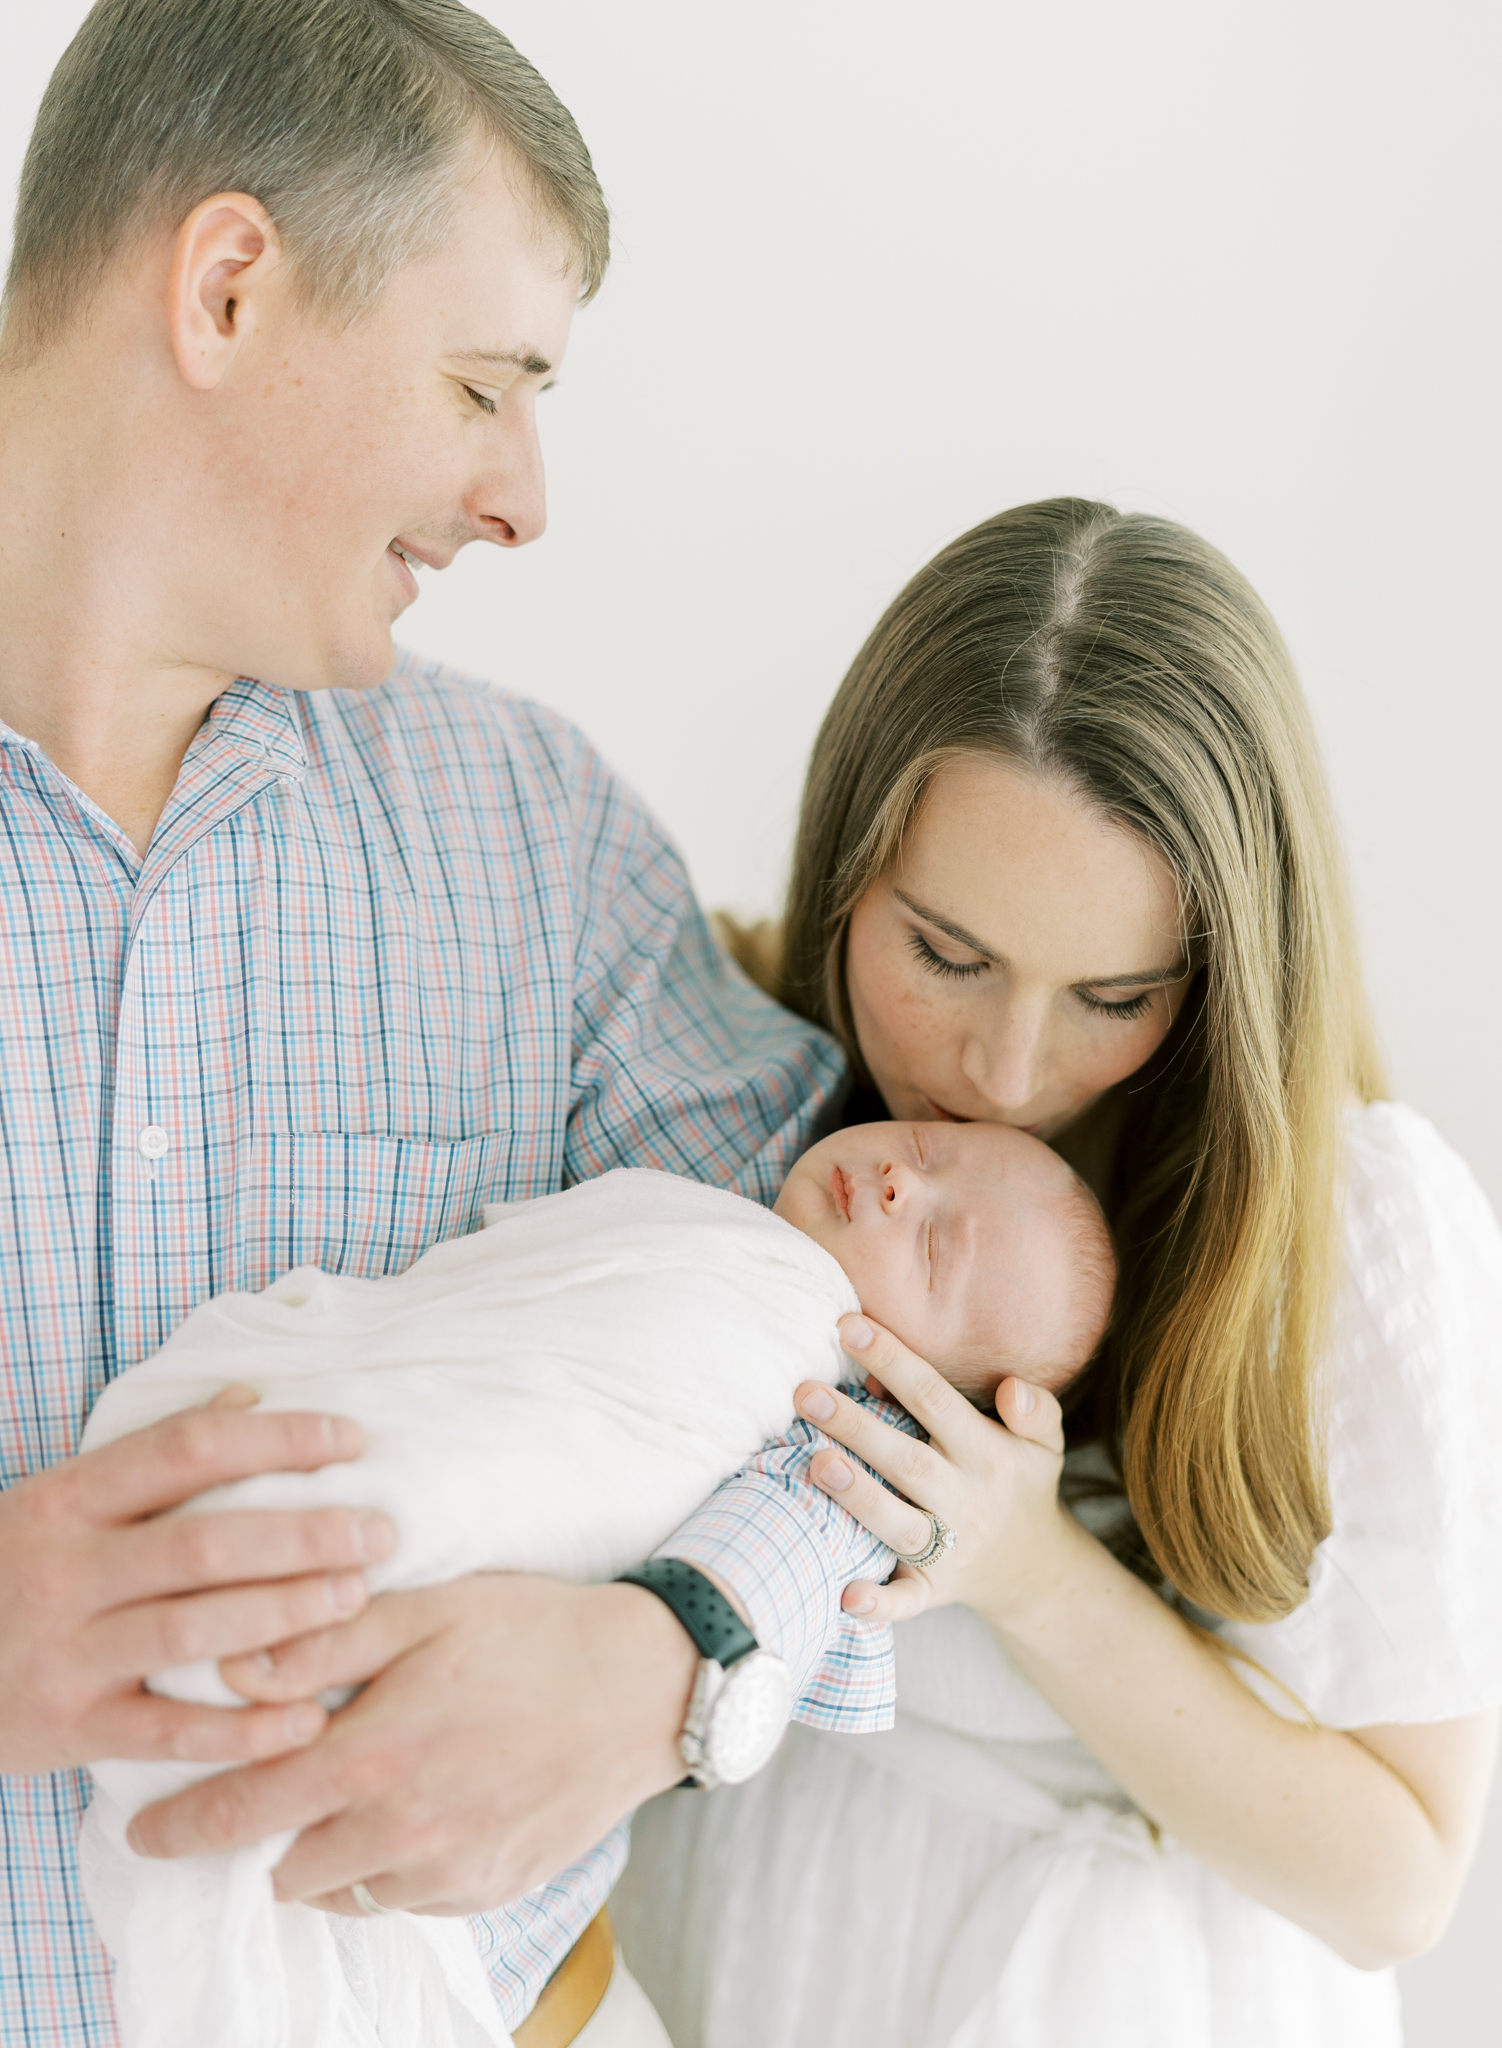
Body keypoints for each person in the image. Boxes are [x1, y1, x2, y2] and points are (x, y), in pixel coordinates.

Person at [0, 4, 894, 2042]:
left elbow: (893, 1351)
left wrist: (678, 1655)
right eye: (482, 384)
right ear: (229, 286)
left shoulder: (539, 846)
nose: (524, 495)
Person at [614, 498, 1502, 2047]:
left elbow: (1397, 1885)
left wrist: (1026, 1568)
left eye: (1114, 993)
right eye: (945, 955)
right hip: (724, 1956)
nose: (1007, 1071)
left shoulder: (1347, 1229)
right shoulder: (743, 1084)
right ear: (845, 869)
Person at [79, 1119, 1112, 2047]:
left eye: (933, 1244)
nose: (896, 1182)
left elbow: (829, 1484)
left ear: (911, 1390)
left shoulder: (837, 1415)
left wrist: (673, 1645)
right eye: (925, 1148)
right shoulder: (711, 1189)